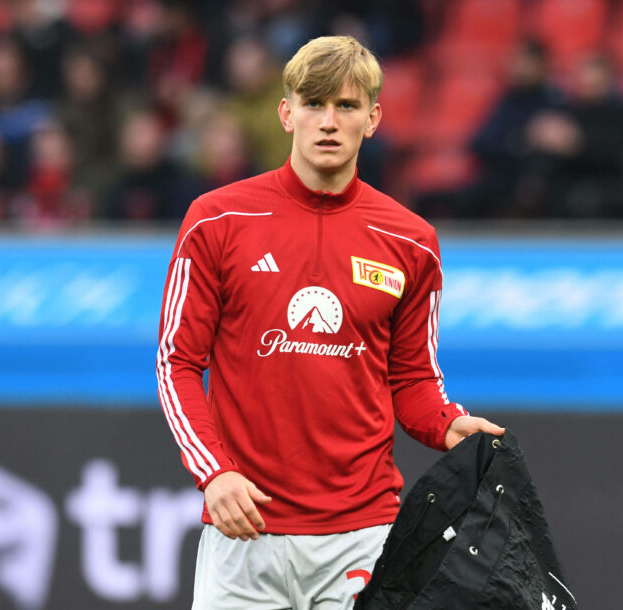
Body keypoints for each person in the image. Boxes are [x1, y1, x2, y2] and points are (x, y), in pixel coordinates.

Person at [155, 35, 504, 609]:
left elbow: (413, 378)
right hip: (244, 533)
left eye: (346, 106)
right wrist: (213, 472)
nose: (328, 121)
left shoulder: (412, 241)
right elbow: (177, 364)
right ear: (286, 112)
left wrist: (447, 424)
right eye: (313, 104)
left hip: (362, 536)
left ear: (373, 119)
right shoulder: (216, 219)